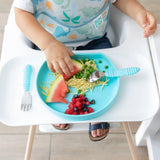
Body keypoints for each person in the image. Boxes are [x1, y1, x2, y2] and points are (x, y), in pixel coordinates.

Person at [14, 0, 157, 141]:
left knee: (104, 79)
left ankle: (94, 109)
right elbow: (21, 12)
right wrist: (47, 43)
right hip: (50, 44)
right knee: (50, 80)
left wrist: (139, 13)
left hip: (94, 41)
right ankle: (60, 106)